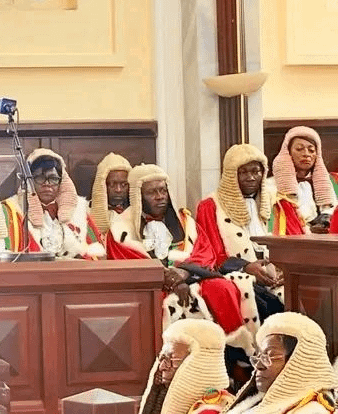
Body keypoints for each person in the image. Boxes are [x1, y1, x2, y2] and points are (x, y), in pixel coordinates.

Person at [106, 164, 255, 353]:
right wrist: (168, 279)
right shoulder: (120, 229)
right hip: (152, 286)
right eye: (152, 192)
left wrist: (184, 273)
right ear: (138, 196)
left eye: (163, 190)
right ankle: (164, 359)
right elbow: (127, 262)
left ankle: (234, 353)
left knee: (223, 288)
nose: (160, 197)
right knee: (154, 304)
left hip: (192, 277)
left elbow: (204, 252)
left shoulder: (186, 222)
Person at [191, 144, 284, 323]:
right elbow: (211, 255)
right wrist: (246, 267)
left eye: (256, 171)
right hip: (236, 275)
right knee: (267, 305)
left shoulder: (276, 202)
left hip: (277, 274)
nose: (251, 177)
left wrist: (286, 270)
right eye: (243, 172)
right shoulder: (210, 206)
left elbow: (291, 238)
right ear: (231, 175)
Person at [225, 312, 338, 413]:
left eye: (270, 355)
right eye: (259, 357)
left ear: (300, 362)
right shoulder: (257, 401)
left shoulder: (311, 411)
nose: (258, 366)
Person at [2, 148, 105, 258]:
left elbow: (97, 254)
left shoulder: (78, 210)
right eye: (40, 178)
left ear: (62, 182)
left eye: (53, 178)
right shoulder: (13, 211)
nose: (47, 184)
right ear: (29, 181)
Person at [139, 319, 233, 414]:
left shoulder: (210, 411)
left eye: (170, 359)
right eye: (161, 359)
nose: (161, 367)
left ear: (198, 364)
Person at [268, 126, 338, 235]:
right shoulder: (271, 186)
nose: (306, 154)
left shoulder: (330, 182)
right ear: (288, 152)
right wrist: (309, 231)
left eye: (311, 150)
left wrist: (327, 219)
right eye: (299, 149)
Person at [90, 152, 132, 234]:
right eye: (112, 184)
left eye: (124, 184)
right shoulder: (86, 214)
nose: (118, 190)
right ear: (102, 184)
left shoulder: (138, 216)